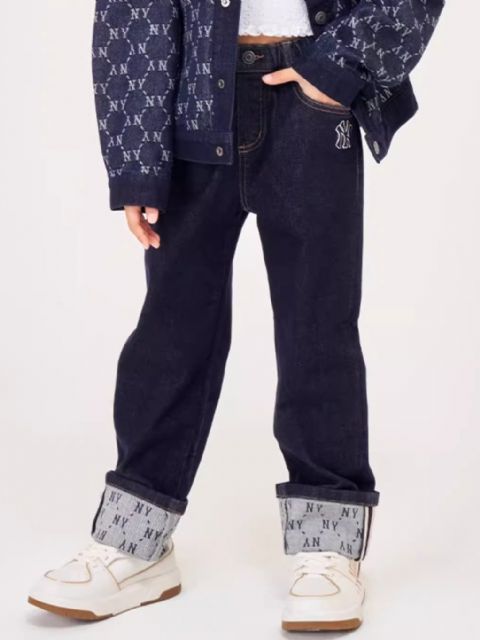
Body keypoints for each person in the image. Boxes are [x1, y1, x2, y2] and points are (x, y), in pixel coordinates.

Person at [28, 0, 445, 631]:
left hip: (312, 99)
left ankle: (328, 547)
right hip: (193, 100)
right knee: (171, 331)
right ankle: (135, 543)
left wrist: (338, 68)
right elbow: (132, 11)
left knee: (318, 327)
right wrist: (136, 161)